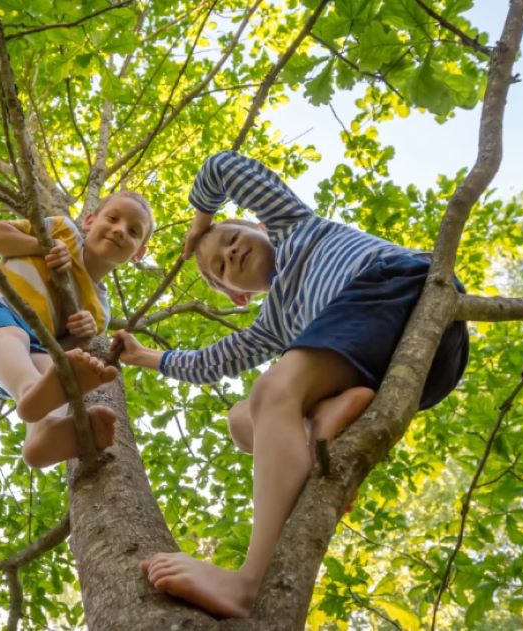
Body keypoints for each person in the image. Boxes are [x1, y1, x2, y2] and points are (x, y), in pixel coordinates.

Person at [112, 151, 468, 618]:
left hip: (402, 290)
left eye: (233, 237)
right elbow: (208, 362)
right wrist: (145, 357)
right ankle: (328, 416)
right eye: (220, 266)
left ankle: (249, 582)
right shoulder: (275, 326)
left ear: (259, 228)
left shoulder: (292, 222)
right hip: (400, 371)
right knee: (242, 420)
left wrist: (201, 225)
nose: (231, 252)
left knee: (273, 392)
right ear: (239, 296)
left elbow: (220, 166)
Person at [0, 191, 154, 469]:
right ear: (89, 221)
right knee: (14, 336)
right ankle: (30, 392)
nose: (119, 230)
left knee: (57, 371)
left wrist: (80, 333)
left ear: (139, 252)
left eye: (133, 231)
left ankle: (42, 434)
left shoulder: (99, 311)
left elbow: (62, 351)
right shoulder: (63, 230)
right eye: (112, 218)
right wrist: (43, 245)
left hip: (14, 365)